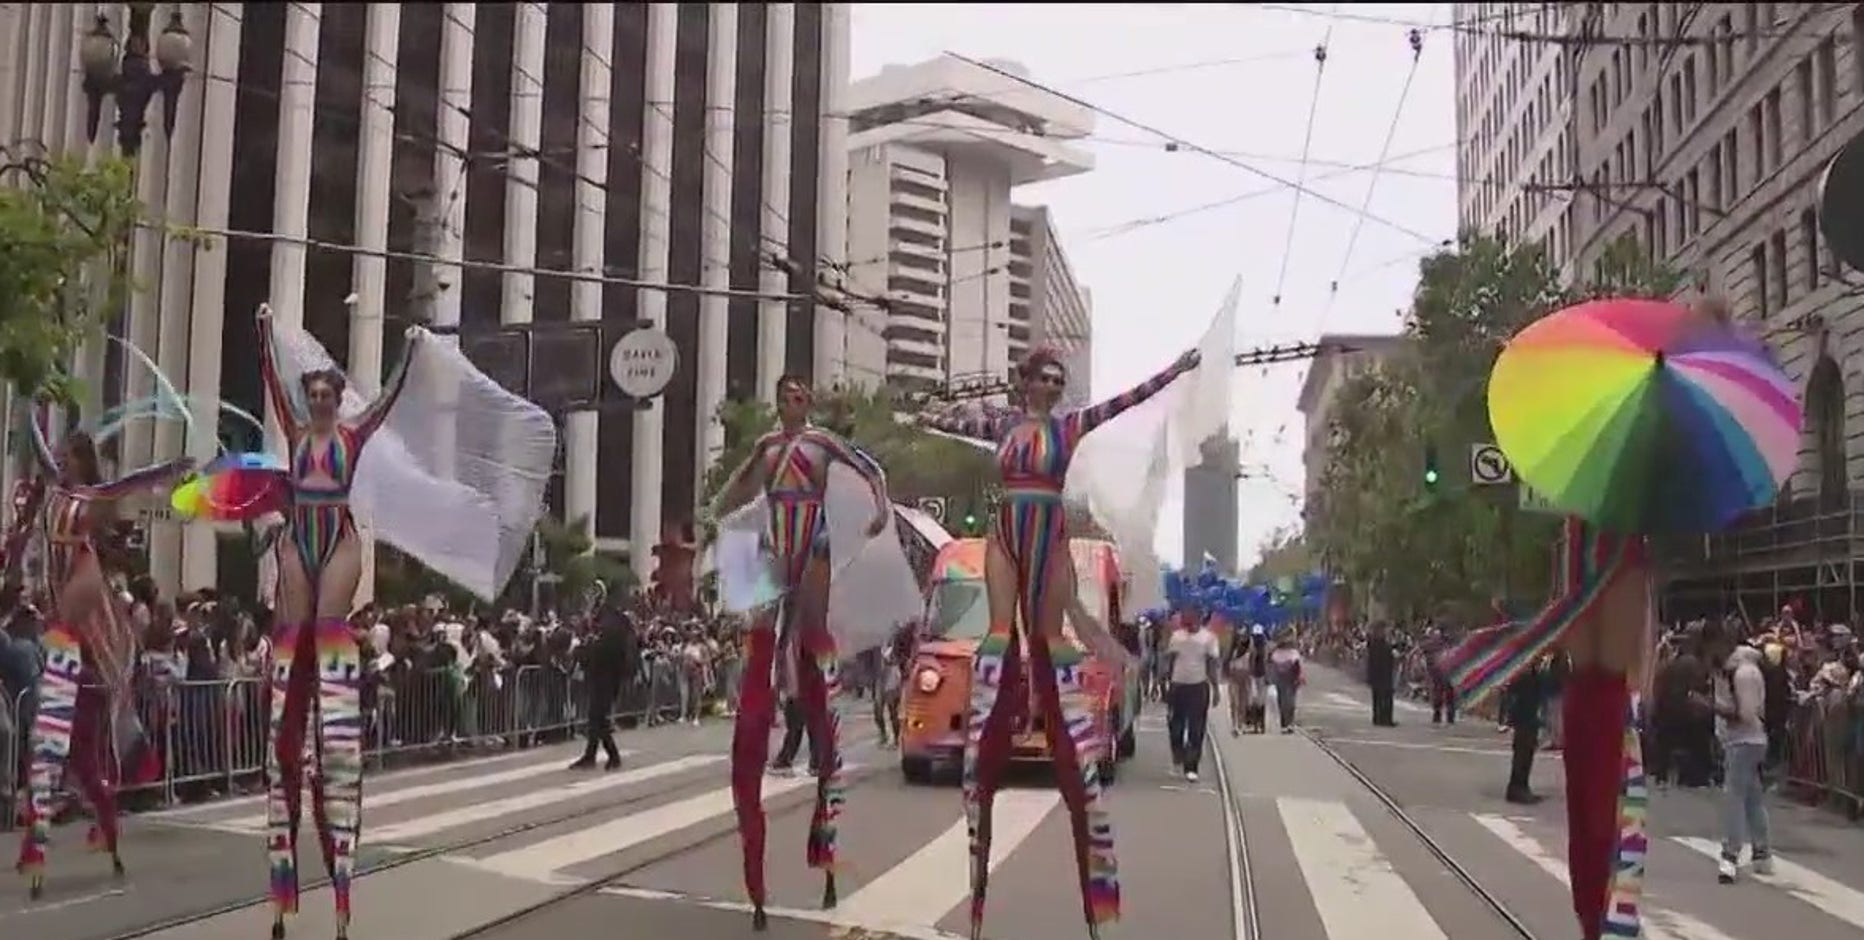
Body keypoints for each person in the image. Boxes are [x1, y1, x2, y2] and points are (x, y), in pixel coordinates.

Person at [919, 344, 1200, 939]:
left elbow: (1125, 402)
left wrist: (1172, 371)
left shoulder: (1070, 427)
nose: (1051, 385)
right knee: (996, 642)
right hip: (1005, 534)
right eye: (1042, 377)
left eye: (1057, 378)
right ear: (1025, 382)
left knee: (1052, 647)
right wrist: (913, 410)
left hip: (1049, 540)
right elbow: (944, 418)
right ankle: (979, 793)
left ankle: (1091, 870)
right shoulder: (998, 424)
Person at [256, 303, 421, 940]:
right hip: (301, 538)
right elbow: (272, 380)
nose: (323, 402)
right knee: (295, 642)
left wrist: (408, 349)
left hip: (340, 541)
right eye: (316, 395)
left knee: (326, 639)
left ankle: (339, 857)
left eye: (329, 394)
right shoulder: (297, 435)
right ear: (308, 399)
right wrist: (264, 330)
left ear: (336, 398)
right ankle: (290, 769)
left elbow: (388, 398)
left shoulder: (350, 436)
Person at [709, 375, 893, 930]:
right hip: (773, 544)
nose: (793, 403)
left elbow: (870, 469)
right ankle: (766, 690)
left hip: (811, 542)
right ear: (778, 401)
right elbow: (736, 488)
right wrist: (715, 519)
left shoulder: (821, 444)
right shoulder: (767, 447)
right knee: (762, 637)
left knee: (813, 637)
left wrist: (879, 509)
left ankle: (817, 698)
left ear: (807, 403)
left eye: (800, 397)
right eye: (787, 396)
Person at [15, 408, 193, 900]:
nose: (64, 465)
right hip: (60, 595)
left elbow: (131, 481)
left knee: (64, 745)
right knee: (71, 757)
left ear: (83, 462)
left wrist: (168, 471)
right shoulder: (56, 485)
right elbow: (37, 445)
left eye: (71, 458)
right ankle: (95, 833)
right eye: (63, 458)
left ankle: (55, 837)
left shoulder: (93, 498)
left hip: (80, 594)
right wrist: (31, 407)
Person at [1695, 620, 1771, 883]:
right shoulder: (1729, 671)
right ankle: (1761, 852)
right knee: (1751, 796)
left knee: (1735, 797)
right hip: (1742, 740)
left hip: (1745, 740)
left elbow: (1745, 715)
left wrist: (1710, 706)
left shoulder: (1743, 673)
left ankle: (1730, 854)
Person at [571, 607, 637, 770]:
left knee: (598, 718)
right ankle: (591, 755)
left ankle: (611, 755)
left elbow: (594, 655)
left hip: (605, 681)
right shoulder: (616, 634)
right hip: (606, 680)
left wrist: (579, 651)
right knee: (596, 718)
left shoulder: (609, 637)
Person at [1163, 611, 1220, 780]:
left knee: (1197, 728)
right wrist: (1164, 681)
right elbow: (1170, 660)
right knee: (1175, 724)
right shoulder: (1177, 637)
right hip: (1178, 685)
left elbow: (1211, 664)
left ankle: (1192, 765)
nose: (1186, 621)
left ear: (1198, 618)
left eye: (1189, 618)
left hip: (1198, 686)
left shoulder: (1208, 638)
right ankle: (1178, 751)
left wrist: (1215, 688)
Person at [1504, 656, 1546, 804]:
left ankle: (1522, 786)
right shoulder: (1523, 674)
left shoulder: (1532, 673)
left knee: (1527, 753)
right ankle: (1517, 788)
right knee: (1522, 753)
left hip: (1529, 717)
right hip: (1524, 718)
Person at [1367, 621, 1397, 727]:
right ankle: (1384, 718)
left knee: (1378, 696)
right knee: (1384, 696)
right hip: (1383, 673)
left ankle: (1378, 718)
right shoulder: (1379, 644)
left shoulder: (1374, 643)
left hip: (1378, 673)